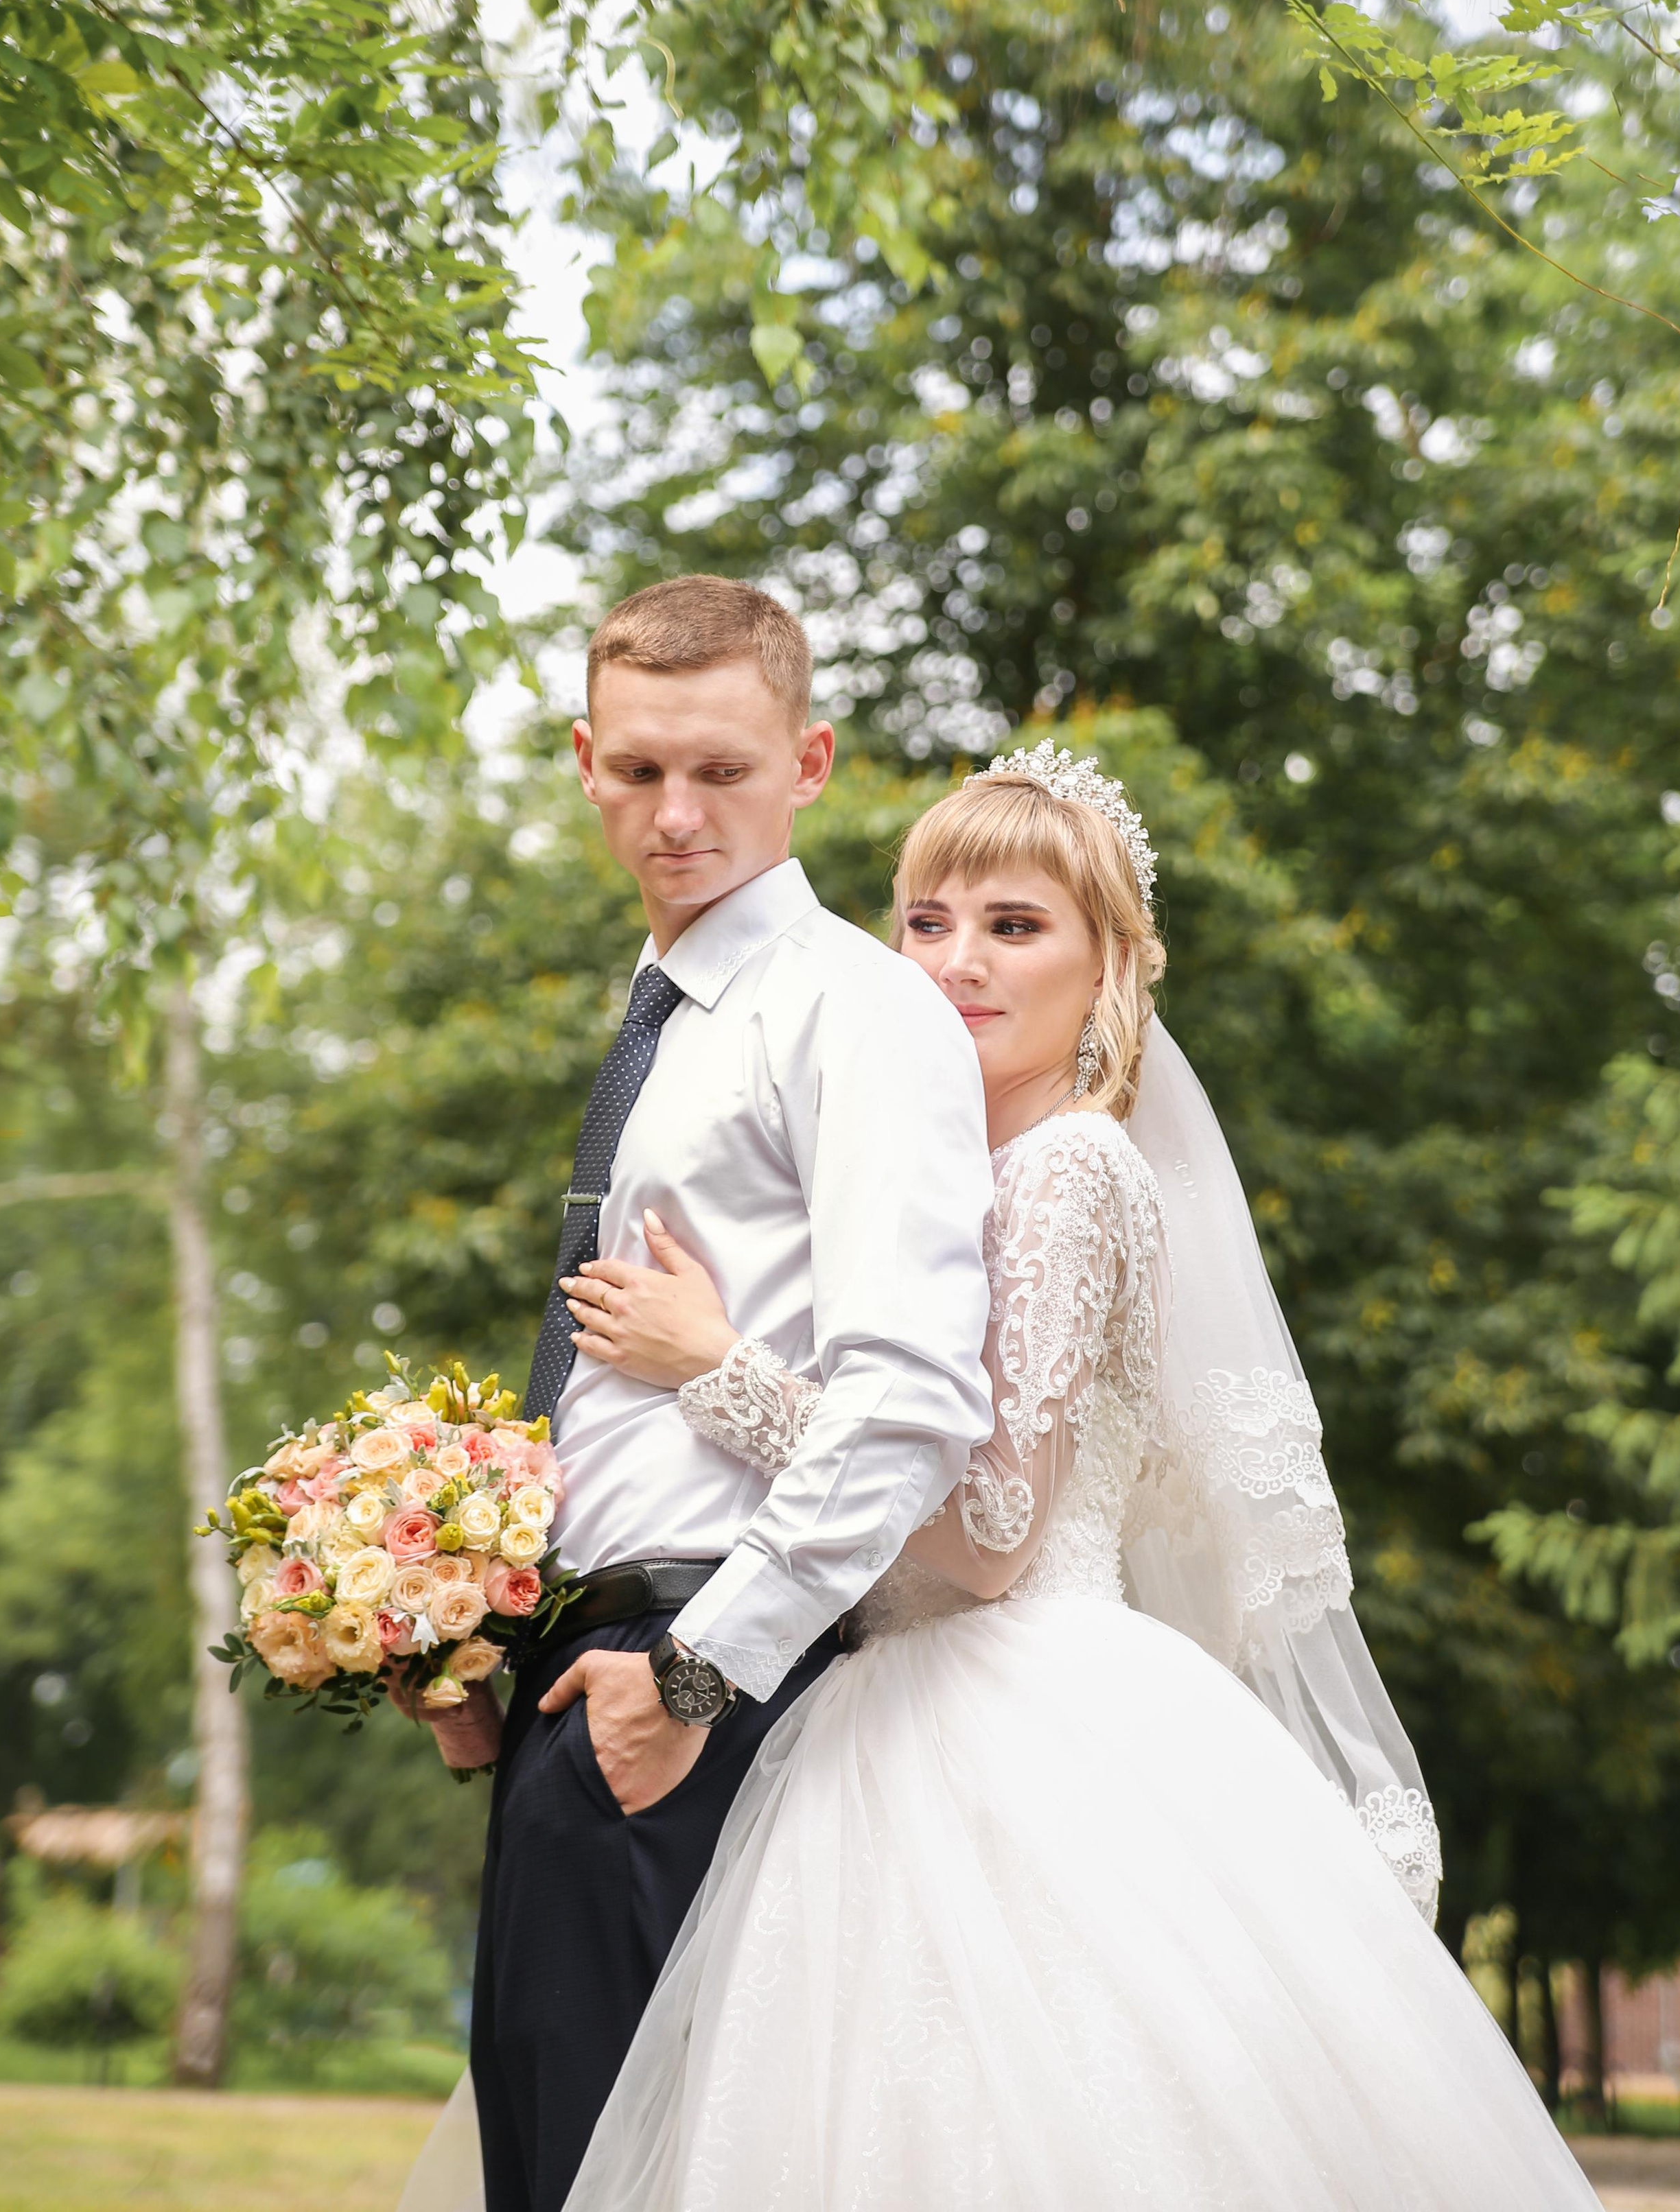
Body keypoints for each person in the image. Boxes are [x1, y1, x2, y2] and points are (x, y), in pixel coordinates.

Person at [551, 744, 1602, 2211]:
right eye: (925, 921)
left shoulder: (1062, 1173)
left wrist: (715, 1367)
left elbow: (987, 1534)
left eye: (1013, 926)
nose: (956, 963)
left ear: (1106, 966)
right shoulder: (921, 1171)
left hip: (1003, 1711)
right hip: (882, 1702)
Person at [404, 576, 996, 2212]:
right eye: (641, 769)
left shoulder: (856, 1010)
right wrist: (471, 1633)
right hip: (583, 1667)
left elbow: (908, 1393)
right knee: (556, 2165)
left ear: (808, 762)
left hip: (702, 1677)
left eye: (721, 771)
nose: (676, 815)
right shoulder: (667, 1019)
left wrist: (689, 1677)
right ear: (586, 761)